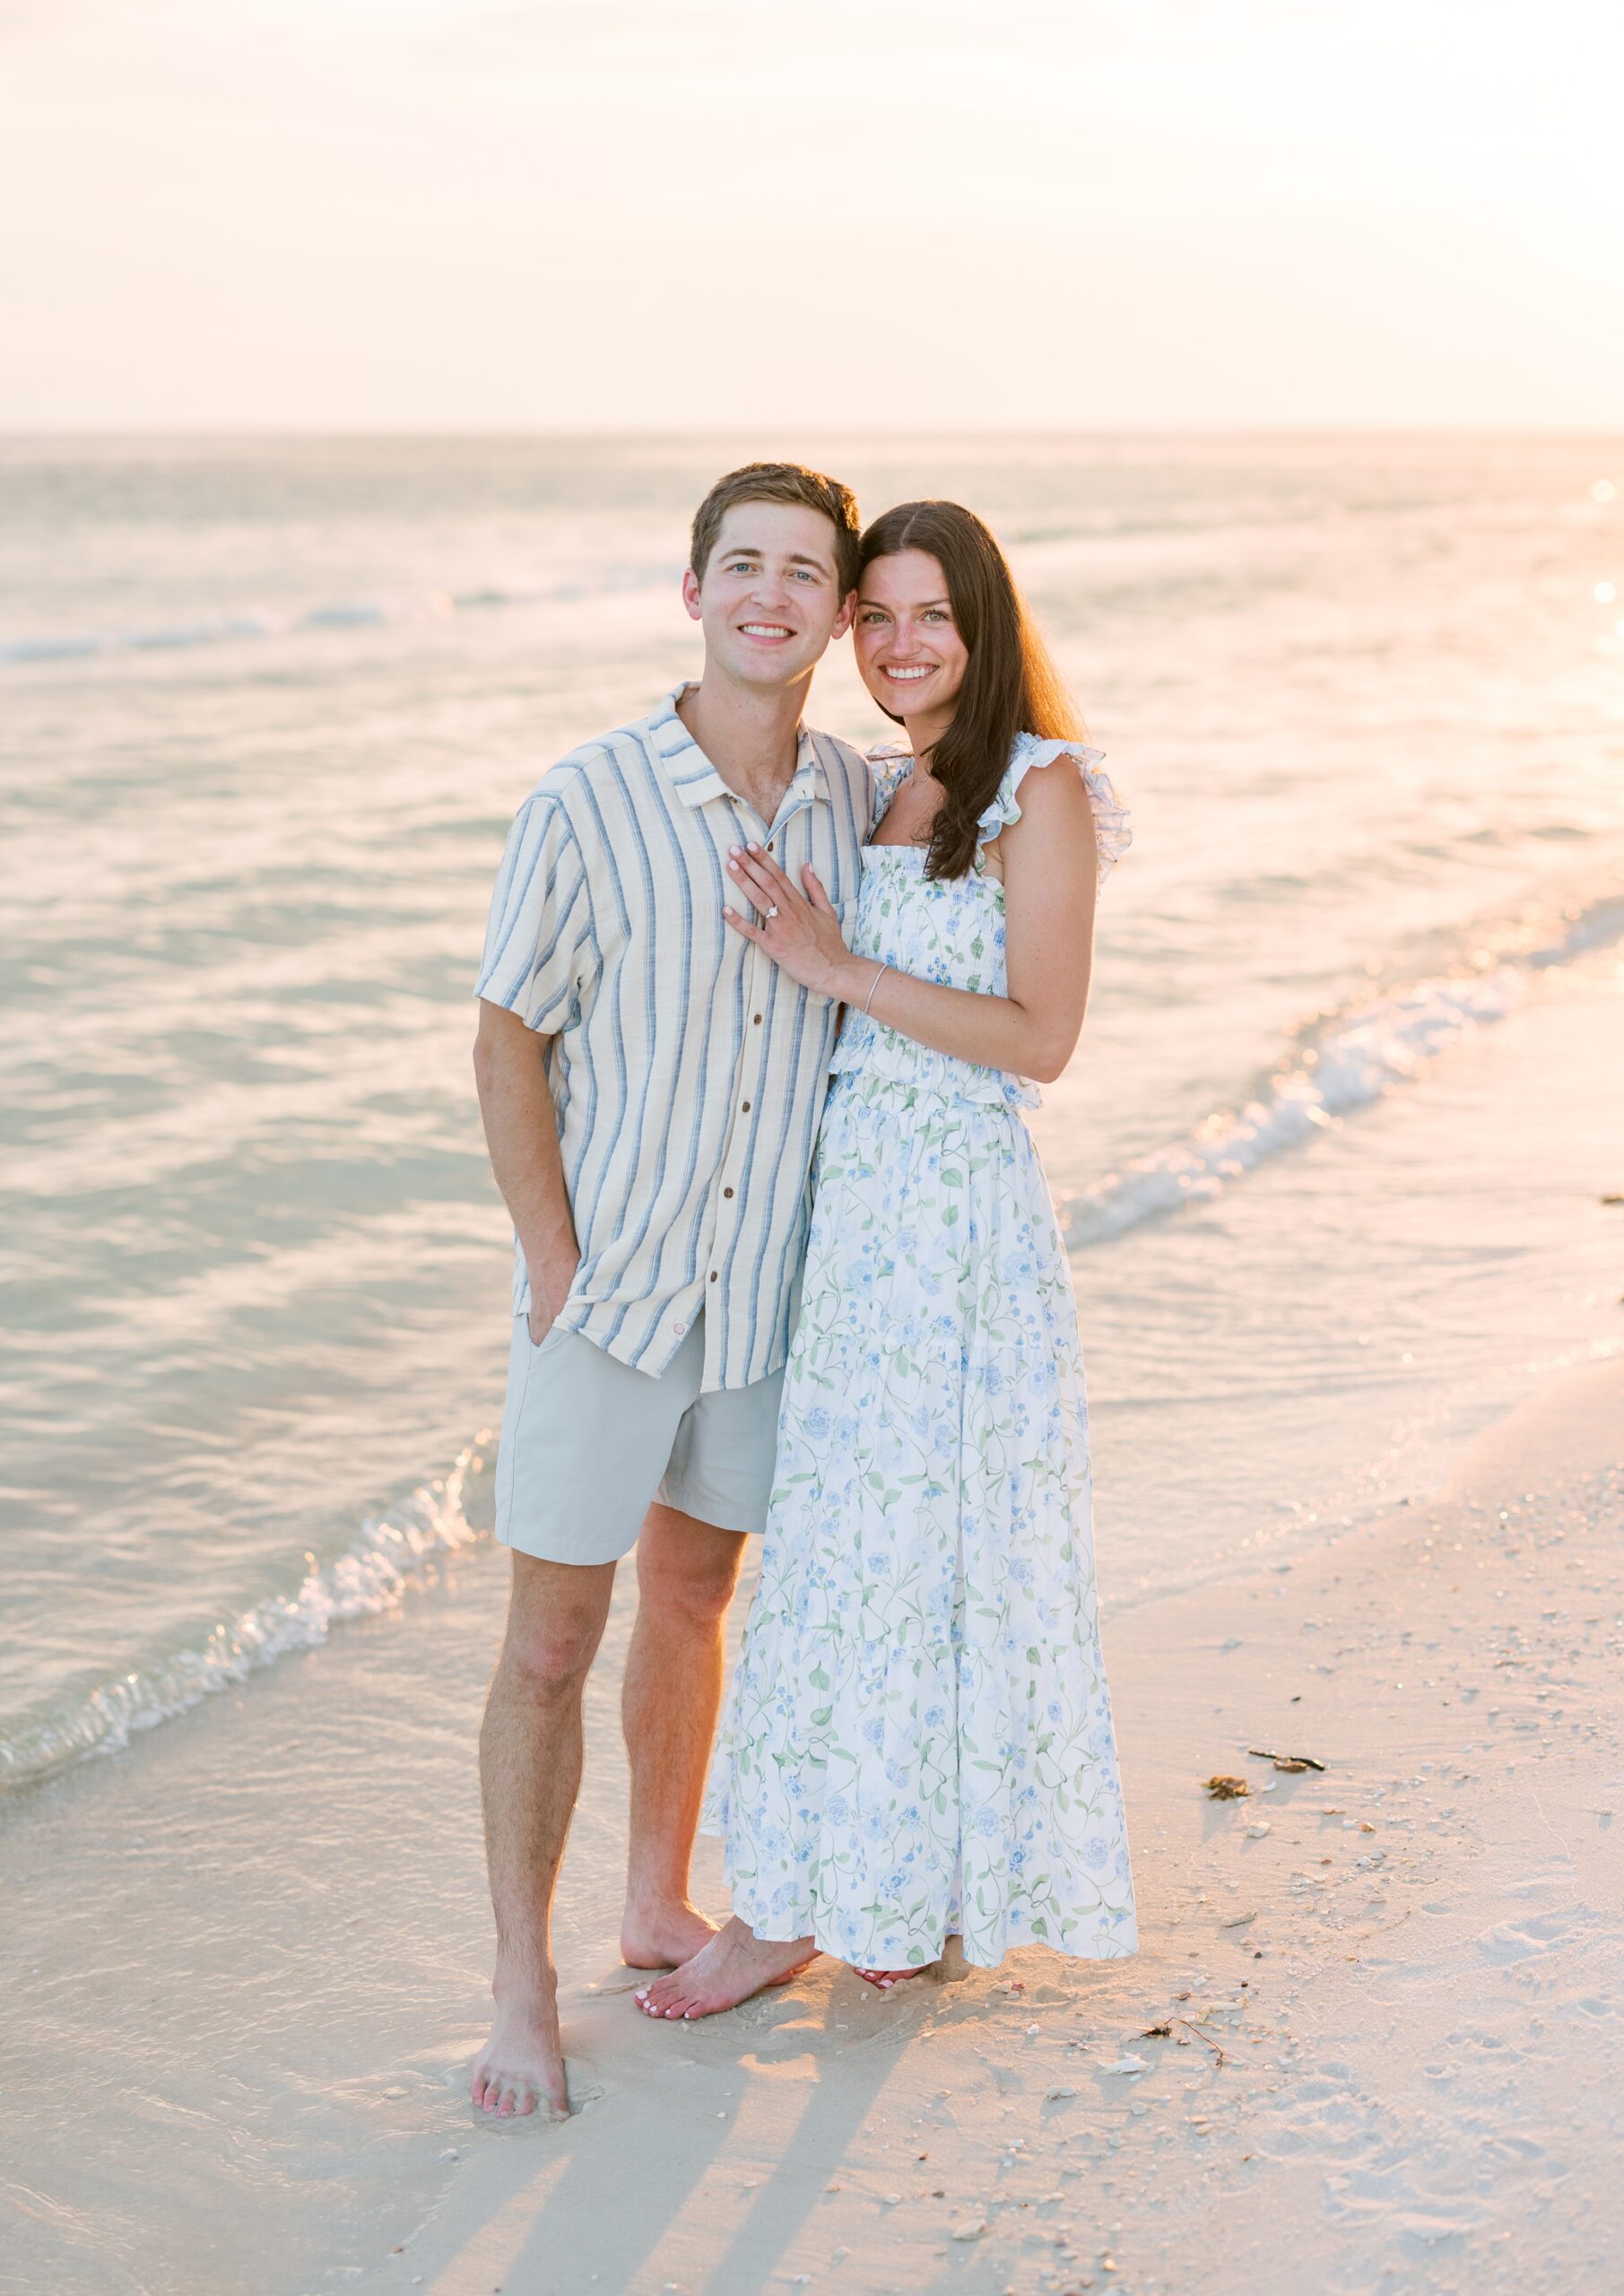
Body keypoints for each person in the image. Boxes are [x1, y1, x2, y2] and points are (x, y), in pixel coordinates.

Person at [635, 499, 1138, 2021]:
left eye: (933, 615)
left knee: (920, 1559)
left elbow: (1040, 1042)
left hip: (953, 1227)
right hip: (847, 1219)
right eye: (880, 616)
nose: (901, 642)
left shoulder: (1035, 789)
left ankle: (794, 1906)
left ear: (984, 628)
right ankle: (864, 1893)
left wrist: (837, 965)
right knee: (850, 1562)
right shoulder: (882, 789)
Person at [467, 463, 876, 2116]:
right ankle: (516, 1984)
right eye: (742, 566)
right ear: (690, 589)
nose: (770, 596)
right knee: (551, 1646)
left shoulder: (861, 800)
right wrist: (553, 1260)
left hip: (764, 1311)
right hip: (612, 1303)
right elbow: (507, 1035)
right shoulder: (586, 799)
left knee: (697, 1601)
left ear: (842, 614)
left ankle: (654, 1895)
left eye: (804, 575)